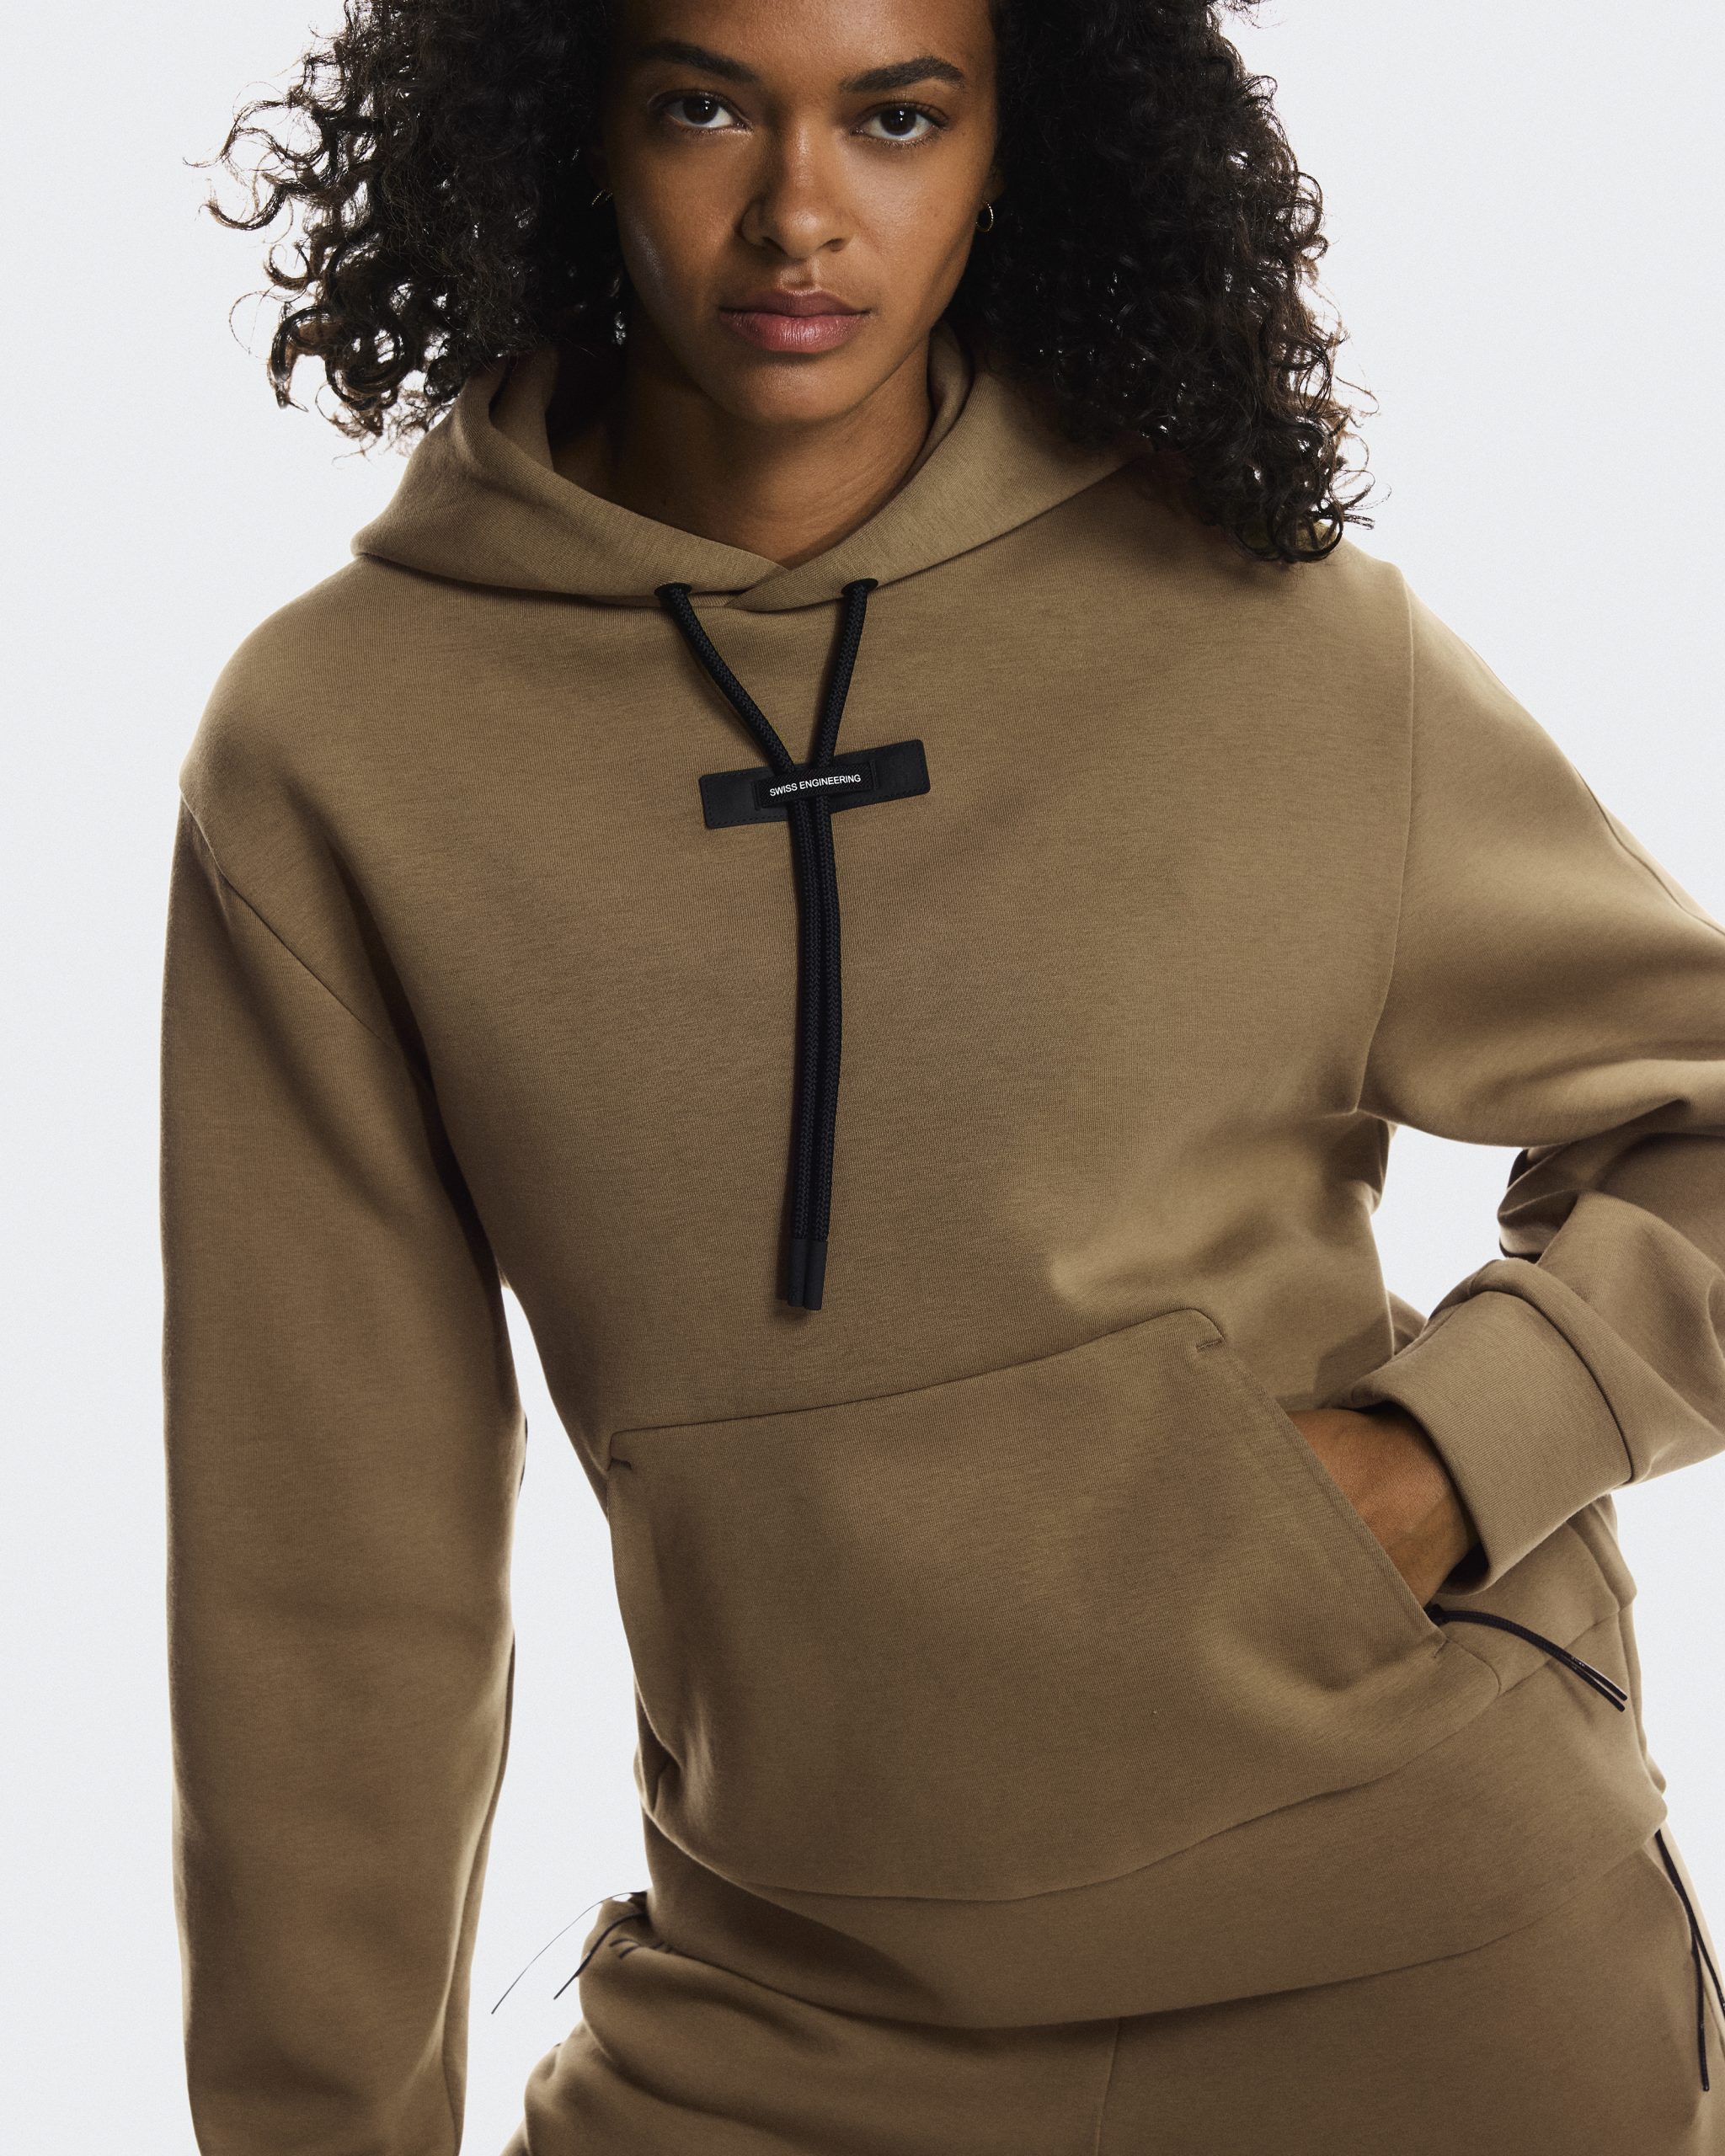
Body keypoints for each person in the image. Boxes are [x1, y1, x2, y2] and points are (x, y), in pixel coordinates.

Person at [160, 0, 1725, 2148]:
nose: (798, 214)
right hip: (790, 2006)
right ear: (571, 122)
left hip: (1429, 1959)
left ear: (1015, 145)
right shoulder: (343, 749)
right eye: (703, 105)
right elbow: (325, 1571)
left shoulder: (1275, 633)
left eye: (897, 116)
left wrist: (1449, 1453)